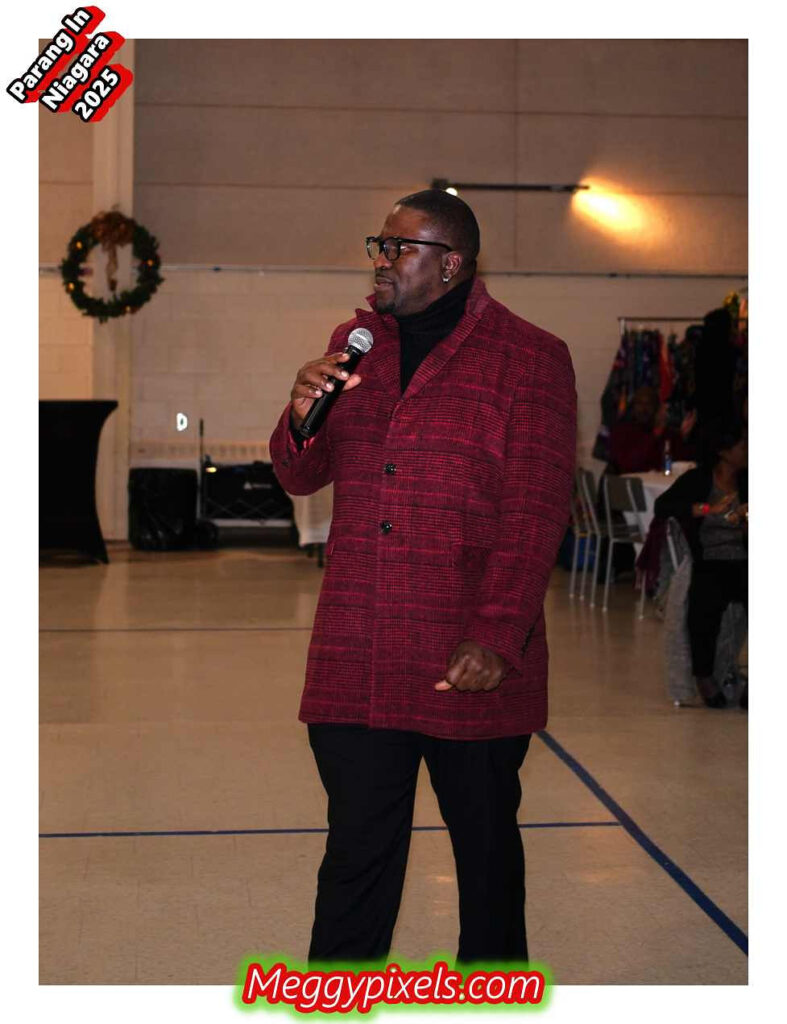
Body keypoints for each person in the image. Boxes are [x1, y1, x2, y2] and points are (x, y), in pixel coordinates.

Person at [268, 189, 576, 966]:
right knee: (355, 852)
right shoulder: (355, 345)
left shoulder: (529, 356)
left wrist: (496, 635)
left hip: (464, 653)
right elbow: (301, 477)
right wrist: (299, 414)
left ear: (450, 264)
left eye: (399, 247)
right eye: (379, 244)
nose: (381, 260)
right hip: (360, 648)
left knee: (485, 852)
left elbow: (534, 510)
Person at [653, 420, 748, 709]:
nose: (748, 450)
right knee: (704, 606)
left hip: (745, 559)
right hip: (710, 559)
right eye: (743, 445)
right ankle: (704, 676)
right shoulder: (699, 479)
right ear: (724, 451)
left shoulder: (748, 480)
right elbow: (663, 506)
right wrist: (708, 509)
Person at [608, 385, 696, 474]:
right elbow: (630, 464)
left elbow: (681, 462)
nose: (644, 409)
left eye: (648, 404)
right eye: (639, 404)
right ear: (633, 406)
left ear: (656, 408)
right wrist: (655, 435)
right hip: (632, 480)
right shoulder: (621, 431)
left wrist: (683, 437)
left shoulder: (667, 433)